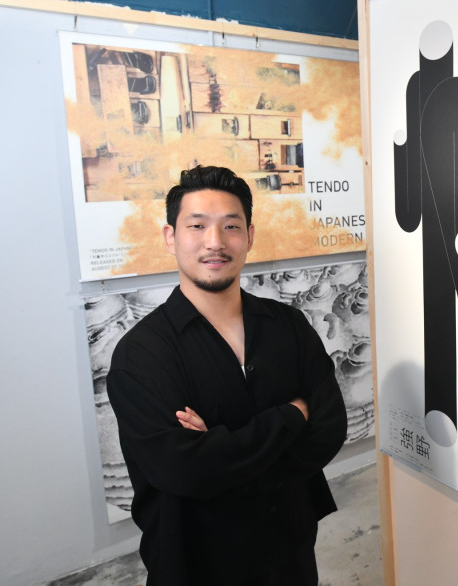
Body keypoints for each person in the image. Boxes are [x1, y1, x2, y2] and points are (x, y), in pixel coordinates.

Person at [107, 165, 348, 585]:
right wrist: (291, 415)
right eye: (197, 226)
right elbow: (184, 470)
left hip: (289, 550)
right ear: (171, 237)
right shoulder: (141, 355)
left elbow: (329, 429)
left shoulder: (289, 326)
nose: (215, 242)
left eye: (231, 226)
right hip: (196, 561)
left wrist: (220, 452)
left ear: (249, 237)